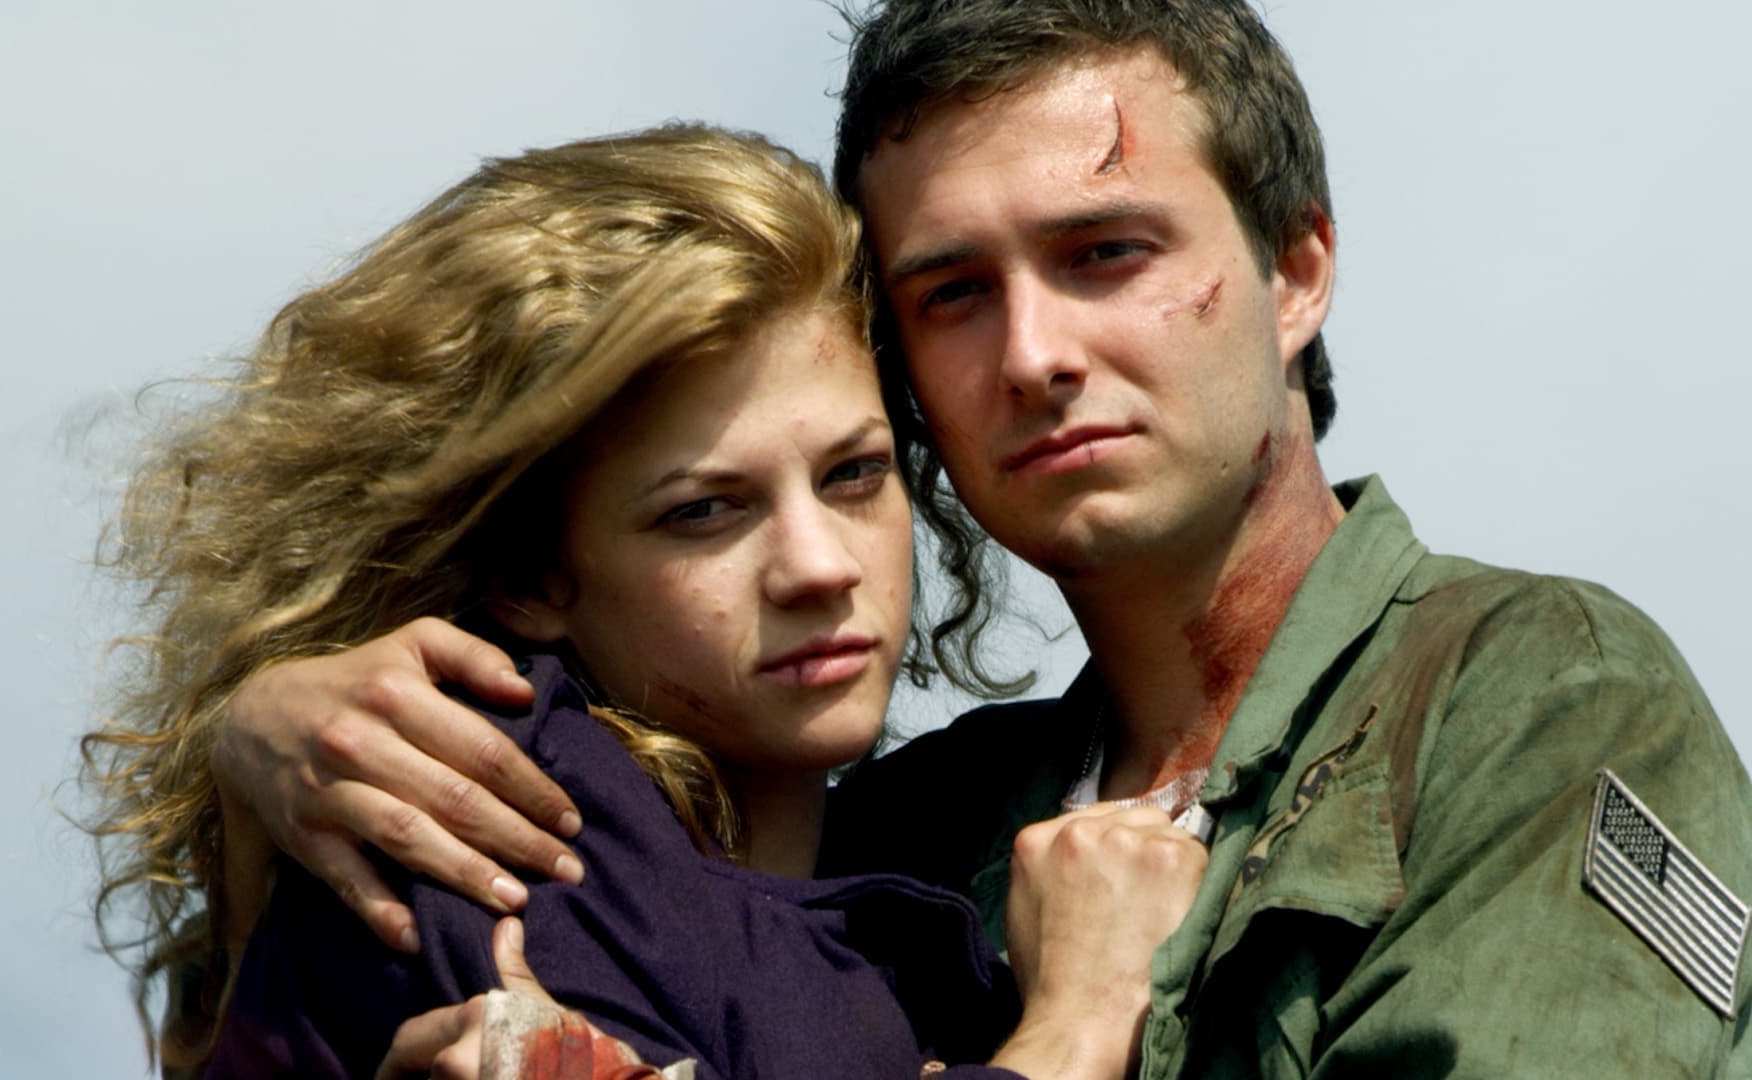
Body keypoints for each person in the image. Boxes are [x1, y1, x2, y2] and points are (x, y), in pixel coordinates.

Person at [211, 1, 1752, 1074]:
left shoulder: (1526, 697)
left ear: (1295, 273)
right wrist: (268, 731)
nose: (1032, 355)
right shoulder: (898, 830)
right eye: (953, 292)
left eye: (1105, 252)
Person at [79, 122, 1204, 1079]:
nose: (818, 565)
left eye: (855, 475)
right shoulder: (491, 819)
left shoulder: (921, 843)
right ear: (530, 577)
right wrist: (1076, 1028)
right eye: (705, 512)